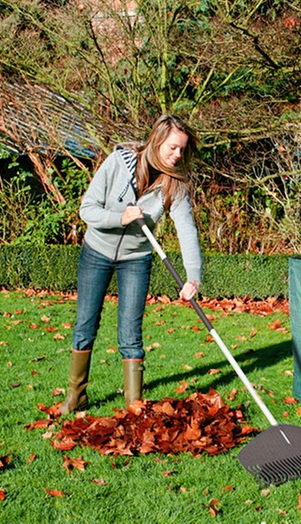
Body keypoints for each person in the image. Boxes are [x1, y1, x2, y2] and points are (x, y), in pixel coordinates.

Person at [61, 114, 202, 414]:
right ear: (158, 140)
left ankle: (134, 407)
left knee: (130, 334)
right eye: (173, 148)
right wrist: (119, 218)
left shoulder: (174, 185)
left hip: (136, 259)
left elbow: (186, 230)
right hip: (96, 252)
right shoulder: (118, 162)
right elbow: (87, 209)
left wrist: (193, 277)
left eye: (182, 150)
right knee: (85, 325)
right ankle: (75, 395)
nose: (178, 155)